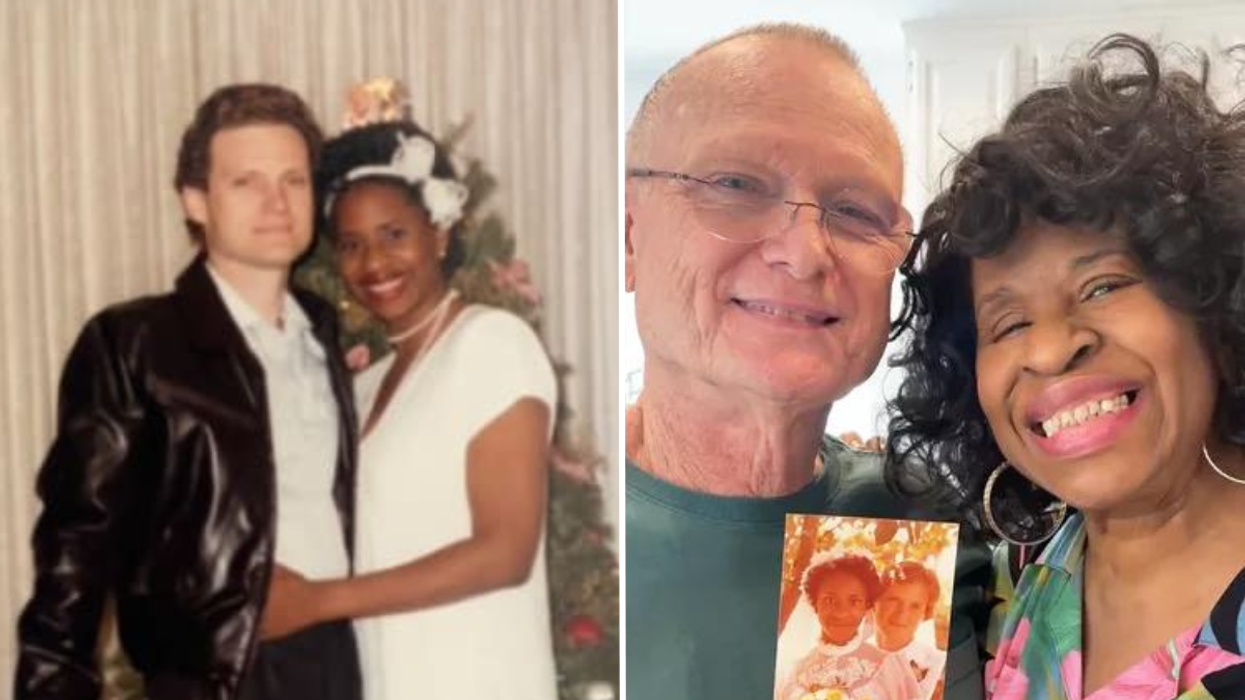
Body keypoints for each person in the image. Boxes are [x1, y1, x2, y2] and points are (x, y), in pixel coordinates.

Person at [625, 22, 992, 700]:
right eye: (734, 183)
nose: (803, 251)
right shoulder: (515, 522)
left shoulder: (908, 526)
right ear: (627, 236)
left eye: (853, 211)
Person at [887, 34, 1245, 700]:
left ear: (1214, 302)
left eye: (1103, 285)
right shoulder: (991, 592)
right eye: (1009, 324)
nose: (1050, 350)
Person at [13, 84, 361, 700]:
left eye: (294, 180)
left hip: (340, 662)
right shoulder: (136, 343)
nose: (276, 203)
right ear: (195, 201)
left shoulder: (324, 335)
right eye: (246, 182)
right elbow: (78, 540)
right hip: (214, 678)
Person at [257, 118, 559, 699]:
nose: (373, 261)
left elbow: (504, 552)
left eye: (394, 234)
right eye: (351, 244)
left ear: (439, 234)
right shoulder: (363, 388)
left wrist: (316, 602)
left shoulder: (491, 344)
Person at [780, 555, 921, 700]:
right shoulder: (795, 674)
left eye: (854, 601)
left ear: (867, 606)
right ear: (815, 604)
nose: (841, 613)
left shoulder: (890, 669)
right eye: (830, 600)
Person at [876, 562, 946, 700]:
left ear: (925, 612)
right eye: (893, 600)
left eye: (915, 606)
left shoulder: (939, 663)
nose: (902, 614)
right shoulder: (848, 657)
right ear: (874, 601)